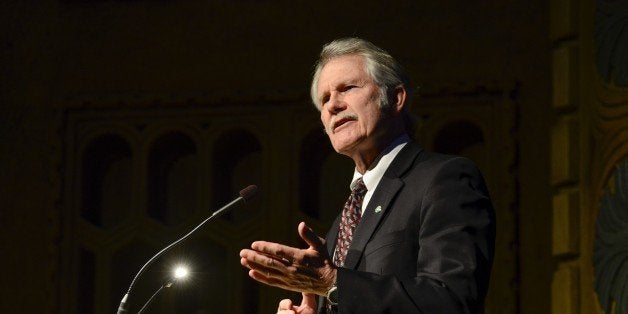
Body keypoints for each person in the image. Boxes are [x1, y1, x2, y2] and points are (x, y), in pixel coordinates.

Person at [239, 37, 495, 313]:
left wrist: (332, 282)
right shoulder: (345, 217)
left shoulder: (444, 178)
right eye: (324, 99)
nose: (332, 105)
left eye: (347, 88)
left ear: (395, 98)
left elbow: (453, 301)